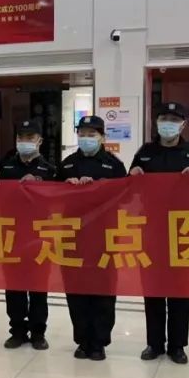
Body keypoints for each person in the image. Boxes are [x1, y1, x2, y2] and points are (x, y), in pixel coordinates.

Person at [130, 102, 189, 365]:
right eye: (164, 118)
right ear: (156, 122)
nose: (168, 124)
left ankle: (177, 345)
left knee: (179, 289)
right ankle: (154, 343)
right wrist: (133, 174)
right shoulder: (145, 152)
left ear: (183, 124)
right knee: (152, 288)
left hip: (183, 229)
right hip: (151, 227)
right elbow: (129, 188)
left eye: (174, 119)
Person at [58, 116, 127, 360]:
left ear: (102, 137)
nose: (86, 138)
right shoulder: (67, 164)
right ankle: (82, 340)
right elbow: (51, 197)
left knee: (103, 288)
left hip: (103, 235)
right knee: (75, 288)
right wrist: (67, 186)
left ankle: (99, 341)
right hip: (73, 236)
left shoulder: (114, 165)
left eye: (92, 134)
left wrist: (98, 187)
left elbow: (125, 198)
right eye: (82, 134)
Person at [0, 120, 57, 351]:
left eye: (30, 138)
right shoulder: (6, 167)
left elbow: (57, 200)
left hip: (40, 235)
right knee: (14, 286)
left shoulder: (50, 170)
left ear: (40, 141)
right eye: (21, 137)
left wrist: (38, 184)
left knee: (38, 286)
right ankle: (17, 331)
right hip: (12, 234)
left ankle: (38, 332)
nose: (24, 142)